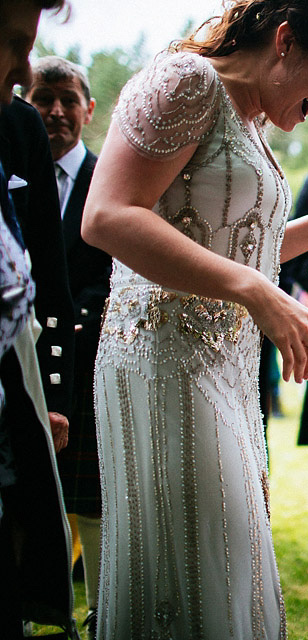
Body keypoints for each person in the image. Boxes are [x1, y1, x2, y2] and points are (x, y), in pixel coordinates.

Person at [80, 1, 308, 636]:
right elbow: (106, 215)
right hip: (163, 363)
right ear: (287, 41)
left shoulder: (250, 117)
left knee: (229, 555)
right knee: (196, 554)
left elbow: (228, 242)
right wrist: (257, 292)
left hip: (225, 368)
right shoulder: (185, 82)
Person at [22, 54, 106, 637]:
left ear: (88, 108)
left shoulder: (112, 177)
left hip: (95, 354)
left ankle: (102, 609)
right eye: (42, 98)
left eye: (67, 99)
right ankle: (31, 609)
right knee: (25, 485)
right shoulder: (10, 173)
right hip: (22, 354)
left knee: (94, 497)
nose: (55, 111)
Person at [0, 1, 75, 638]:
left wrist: (48, 397)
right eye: (11, 45)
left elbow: (47, 279)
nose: (24, 73)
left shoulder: (16, 125)